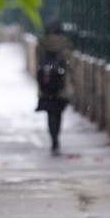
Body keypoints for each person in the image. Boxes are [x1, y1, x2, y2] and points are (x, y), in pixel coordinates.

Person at [36, 22, 73, 154]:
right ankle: (57, 136)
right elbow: (70, 61)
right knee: (58, 112)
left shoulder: (42, 42)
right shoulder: (65, 43)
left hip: (46, 84)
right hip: (61, 85)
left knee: (50, 113)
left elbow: (38, 61)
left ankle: (53, 138)